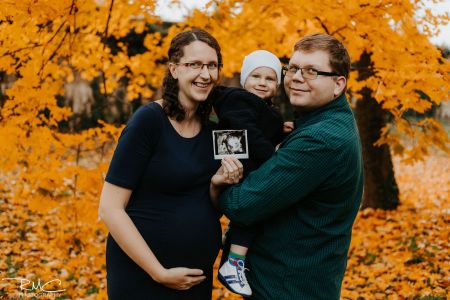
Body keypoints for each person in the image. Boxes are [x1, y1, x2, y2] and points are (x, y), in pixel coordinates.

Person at [210, 33, 364, 299]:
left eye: (312, 71)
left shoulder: (321, 139)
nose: (297, 78)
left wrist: (217, 184)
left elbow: (241, 204)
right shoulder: (324, 121)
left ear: (338, 84)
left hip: (288, 286)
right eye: (292, 69)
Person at [98, 28, 224, 299]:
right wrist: (159, 272)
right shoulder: (148, 122)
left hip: (195, 278)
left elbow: (207, 201)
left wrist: (217, 184)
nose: (206, 74)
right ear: (174, 69)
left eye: (212, 65)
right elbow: (110, 208)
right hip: (142, 277)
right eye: (194, 65)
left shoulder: (214, 128)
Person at [212, 50, 287, 297]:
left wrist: (282, 130)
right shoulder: (239, 101)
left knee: (255, 214)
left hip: (248, 165)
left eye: (270, 78)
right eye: (256, 76)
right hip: (237, 167)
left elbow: (262, 130)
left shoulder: (264, 108)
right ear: (245, 80)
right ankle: (234, 263)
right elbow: (248, 131)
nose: (262, 83)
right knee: (255, 208)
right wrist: (273, 156)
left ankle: (233, 248)